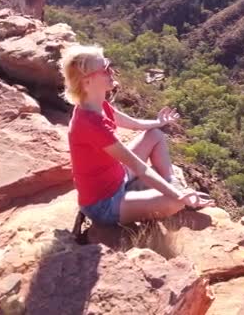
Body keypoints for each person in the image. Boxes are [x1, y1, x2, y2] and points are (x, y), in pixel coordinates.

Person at [60, 44, 215, 225]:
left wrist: (159, 122)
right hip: (104, 204)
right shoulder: (92, 124)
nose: (112, 72)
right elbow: (140, 168)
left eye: (109, 65)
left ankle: (171, 181)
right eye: (105, 69)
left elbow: (134, 124)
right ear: (87, 82)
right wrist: (180, 196)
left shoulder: (98, 104)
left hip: (117, 176)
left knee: (155, 135)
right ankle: (175, 192)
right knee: (176, 202)